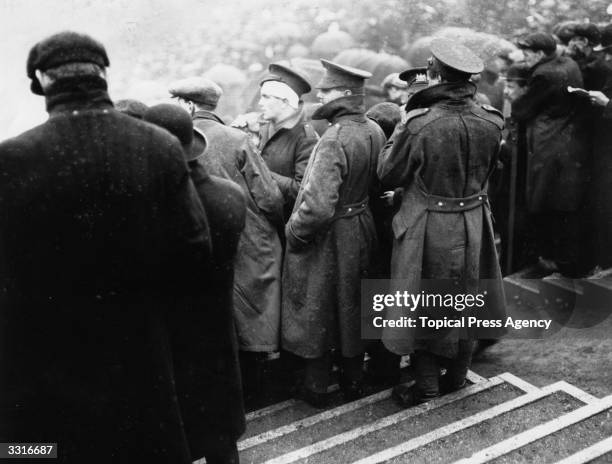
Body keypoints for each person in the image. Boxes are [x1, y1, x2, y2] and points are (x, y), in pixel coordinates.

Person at [0, 32, 212, 463]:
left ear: (41, 81)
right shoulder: (159, 146)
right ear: (104, 77)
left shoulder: (13, 158)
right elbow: (194, 253)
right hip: (140, 352)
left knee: (38, 452)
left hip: (47, 360)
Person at [378, 38, 506, 406]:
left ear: (434, 75)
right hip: (475, 219)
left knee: (426, 302)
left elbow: (388, 173)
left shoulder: (420, 123)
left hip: (428, 224)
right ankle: (457, 377)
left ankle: (428, 386)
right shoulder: (491, 120)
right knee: (467, 298)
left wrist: (402, 124)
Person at [168, 77, 284, 399]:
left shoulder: (173, 143)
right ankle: (257, 391)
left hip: (199, 237)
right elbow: (270, 198)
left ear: (189, 106)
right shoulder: (237, 139)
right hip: (247, 235)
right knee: (253, 315)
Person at [143, 103, 246, 464]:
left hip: (170, 338)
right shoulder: (230, 195)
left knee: (178, 434)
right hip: (217, 327)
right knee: (220, 432)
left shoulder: (152, 209)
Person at [281, 59, 386, 406]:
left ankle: (318, 387)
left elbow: (318, 206)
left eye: (325, 90)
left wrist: (294, 233)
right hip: (362, 225)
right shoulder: (373, 129)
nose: (320, 95)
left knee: (319, 309)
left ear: (342, 94)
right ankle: (354, 380)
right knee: (353, 306)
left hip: (332, 235)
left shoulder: (333, 138)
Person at [513, 32, 591, 277]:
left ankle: (549, 261)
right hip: (570, 141)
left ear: (538, 54)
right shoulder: (569, 63)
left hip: (550, 146)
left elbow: (522, 108)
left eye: (527, 53)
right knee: (563, 203)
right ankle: (566, 260)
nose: (523, 57)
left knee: (544, 201)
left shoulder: (543, 74)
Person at [258, 63, 319, 221]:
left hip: (283, 223)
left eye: (266, 97)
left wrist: (260, 170)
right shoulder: (263, 127)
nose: (259, 103)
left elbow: (302, 190)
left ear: (285, 101)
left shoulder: (306, 137)